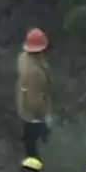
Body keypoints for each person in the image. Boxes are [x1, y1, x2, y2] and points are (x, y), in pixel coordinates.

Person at [15, 28, 52, 160]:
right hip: (34, 117)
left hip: (24, 110)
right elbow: (36, 102)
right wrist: (45, 118)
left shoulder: (23, 58)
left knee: (28, 141)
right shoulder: (34, 72)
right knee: (37, 149)